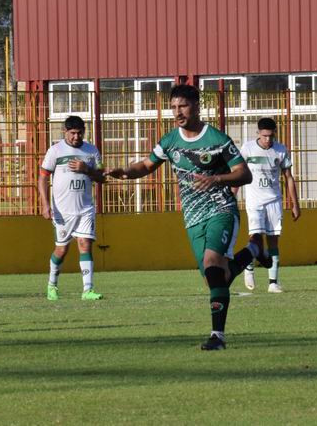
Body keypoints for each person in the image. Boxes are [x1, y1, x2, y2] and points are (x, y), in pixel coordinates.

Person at [108, 84, 270, 350]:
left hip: (221, 210)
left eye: (182, 106)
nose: (177, 112)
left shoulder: (217, 139)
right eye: (173, 107)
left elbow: (245, 174)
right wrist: (124, 172)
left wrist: (216, 178)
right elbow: (147, 165)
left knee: (212, 263)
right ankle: (253, 249)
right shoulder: (170, 141)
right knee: (217, 278)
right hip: (193, 219)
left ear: (197, 106)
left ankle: (217, 336)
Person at [39, 115, 106, 301]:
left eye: (79, 133)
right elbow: (43, 177)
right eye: (72, 133)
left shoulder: (92, 151)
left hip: (85, 209)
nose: (76, 137)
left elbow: (101, 178)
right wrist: (45, 204)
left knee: (85, 245)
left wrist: (87, 169)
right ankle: (52, 285)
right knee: (61, 250)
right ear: (65, 132)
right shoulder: (55, 151)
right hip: (62, 211)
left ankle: (88, 290)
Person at [236, 118, 300, 293]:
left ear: (275, 134)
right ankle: (249, 268)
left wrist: (295, 204)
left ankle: (273, 282)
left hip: (274, 201)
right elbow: (238, 173)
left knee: (273, 240)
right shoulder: (248, 149)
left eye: (271, 136)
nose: (267, 140)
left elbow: (288, 177)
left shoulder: (280, 150)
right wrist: (232, 196)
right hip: (254, 201)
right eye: (264, 136)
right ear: (258, 133)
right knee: (255, 236)